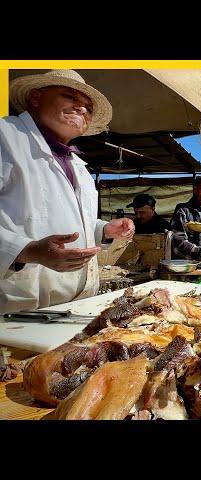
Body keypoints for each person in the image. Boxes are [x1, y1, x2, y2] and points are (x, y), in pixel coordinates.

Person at [0, 70, 134, 313]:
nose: (81, 108)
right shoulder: (6, 137)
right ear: (36, 98)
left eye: (87, 106)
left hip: (73, 307)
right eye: (70, 97)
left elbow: (66, 222)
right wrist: (27, 251)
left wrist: (103, 229)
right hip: (14, 311)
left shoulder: (77, 165)